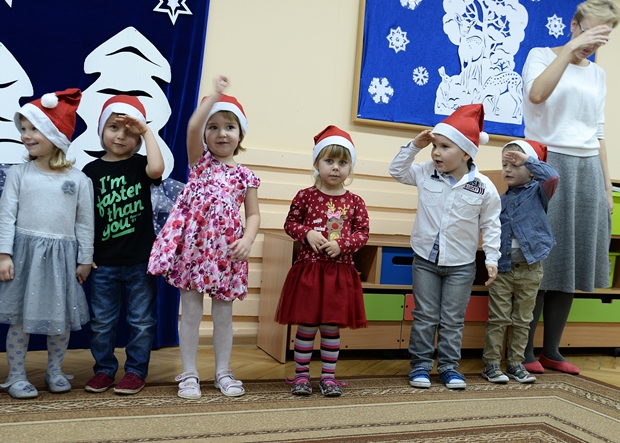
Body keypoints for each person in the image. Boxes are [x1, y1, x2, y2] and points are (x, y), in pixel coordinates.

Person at [521, 0, 619, 375]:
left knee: (571, 262)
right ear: (573, 24)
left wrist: (606, 187)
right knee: (540, 260)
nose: (592, 44)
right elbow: (537, 95)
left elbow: (598, 133)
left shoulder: (599, 75)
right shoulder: (540, 56)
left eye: (602, 38)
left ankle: (552, 350)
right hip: (547, 162)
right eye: (590, 32)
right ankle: (523, 351)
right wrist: (569, 51)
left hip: (588, 168)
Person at [148, 76, 260, 399]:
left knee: (223, 315)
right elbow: (192, 127)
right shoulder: (200, 163)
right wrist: (215, 96)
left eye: (229, 127)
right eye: (214, 127)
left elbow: (253, 215)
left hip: (227, 253)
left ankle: (223, 371)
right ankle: (189, 373)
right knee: (191, 312)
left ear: (240, 134)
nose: (221, 133)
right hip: (195, 250)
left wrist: (248, 240)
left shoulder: (246, 177)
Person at [389, 103, 501, 390]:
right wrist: (415, 146)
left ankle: (449, 368)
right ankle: (420, 366)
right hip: (425, 260)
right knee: (425, 316)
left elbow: (491, 225)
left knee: (452, 319)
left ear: (466, 153)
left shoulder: (483, 186)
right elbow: (396, 171)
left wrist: (492, 258)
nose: (436, 152)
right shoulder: (425, 172)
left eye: (445, 147)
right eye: (434, 146)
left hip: (461, 265)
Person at [0, 89, 94, 399]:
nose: (26, 135)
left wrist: (85, 258)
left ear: (55, 134)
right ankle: (16, 375)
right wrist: (4, 254)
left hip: (61, 259)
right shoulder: (19, 174)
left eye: (34, 128)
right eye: (23, 129)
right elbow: (6, 216)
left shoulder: (79, 180)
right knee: (19, 318)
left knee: (60, 319)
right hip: (24, 257)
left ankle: (55, 370)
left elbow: (85, 223)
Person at [275, 125, 369, 397]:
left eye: (343, 162)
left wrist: (342, 245)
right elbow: (290, 224)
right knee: (306, 327)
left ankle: (328, 378)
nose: (336, 167)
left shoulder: (356, 202)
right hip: (309, 274)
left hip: (338, 275)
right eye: (329, 160)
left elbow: (363, 233)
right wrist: (307, 233)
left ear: (350, 167)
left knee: (330, 328)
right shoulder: (305, 196)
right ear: (317, 163)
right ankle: (301, 376)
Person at [82, 96, 165, 395]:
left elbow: (157, 168)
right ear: (101, 130)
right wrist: (84, 255)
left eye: (129, 132)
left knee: (141, 321)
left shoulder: (141, 165)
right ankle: (104, 370)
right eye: (113, 127)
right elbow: (83, 218)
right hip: (103, 263)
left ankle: (135, 371)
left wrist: (146, 131)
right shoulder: (90, 171)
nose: (120, 136)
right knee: (101, 322)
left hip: (140, 261)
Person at [482, 140, 559, 384]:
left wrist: (528, 160)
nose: (508, 169)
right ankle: (491, 364)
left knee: (522, 320)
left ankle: (516, 363)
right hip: (503, 270)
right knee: (498, 319)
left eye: (515, 165)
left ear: (531, 169)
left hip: (530, 269)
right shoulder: (500, 199)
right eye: (505, 164)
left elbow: (552, 177)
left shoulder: (539, 192)